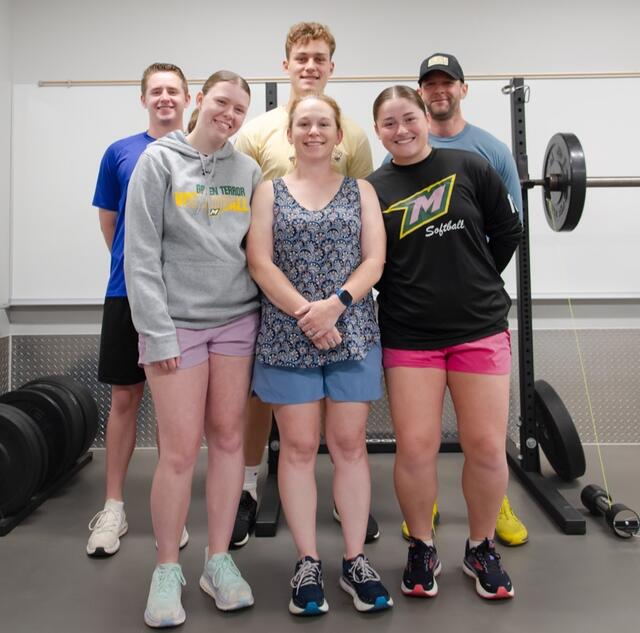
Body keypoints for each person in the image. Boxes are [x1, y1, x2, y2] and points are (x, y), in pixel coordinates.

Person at [368, 85, 522, 600]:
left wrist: (474, 279)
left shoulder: (470, 167)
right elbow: (372, 263)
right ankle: (422, 546)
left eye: (408, 118)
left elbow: (506, 233)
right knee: (415, 447)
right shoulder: (373, 189)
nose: (402, 130)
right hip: (410, 335)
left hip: (479, 327)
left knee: (484, 445)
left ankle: (480, 548)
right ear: (377, 131)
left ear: (424, 117)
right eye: (389, 123)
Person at [233, 21, 380, 548]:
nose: (310, 66)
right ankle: (250, 486)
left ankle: (346, 506)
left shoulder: (355, 136)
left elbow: (365, 219)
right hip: (274, 301)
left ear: (331, 67)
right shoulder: (255, 133)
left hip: (344, 315)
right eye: (302, 57)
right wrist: (301, 309)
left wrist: (336, 306)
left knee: (341, 431)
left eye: (320, 57)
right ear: (286, 63)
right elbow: (240, 214)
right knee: (267, 405)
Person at [124, 70, 262, 627]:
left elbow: (251, 250)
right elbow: (140, 252)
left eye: (239, 110)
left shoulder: (247, 170)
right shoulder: (158, 161)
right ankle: (165, 569)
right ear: (200, 100)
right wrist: (154, 331)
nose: (228, 115)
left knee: (229, 442)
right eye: (221, 102)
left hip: (236, 322)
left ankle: (218, 560)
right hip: (176, 325)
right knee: (180, 451)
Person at [247, 94, 392, 615]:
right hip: (288, 337)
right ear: (290, 134)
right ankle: (307, 561)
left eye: (323, 123)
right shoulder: (268, 192)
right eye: (303, 123)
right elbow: (260, 263)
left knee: (350, 445)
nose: (313, 131)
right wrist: (307, 314)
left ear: (338, 135)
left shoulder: (362, 191)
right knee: (300, 448)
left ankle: (355, 560)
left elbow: (375, 259)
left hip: (351, 332)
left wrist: (335, 306)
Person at [87, 63, 191, 557]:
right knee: (125, 400)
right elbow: (111, 225)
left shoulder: (199, 153)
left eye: (173, 90)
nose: (165, 97)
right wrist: (134, 271)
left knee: (178, 412)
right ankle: (114, 508)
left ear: (188, 99)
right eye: (156, 91)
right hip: (126, 297)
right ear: (143, 98)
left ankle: (173, 511)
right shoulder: (119, 153)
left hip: (186, 301)